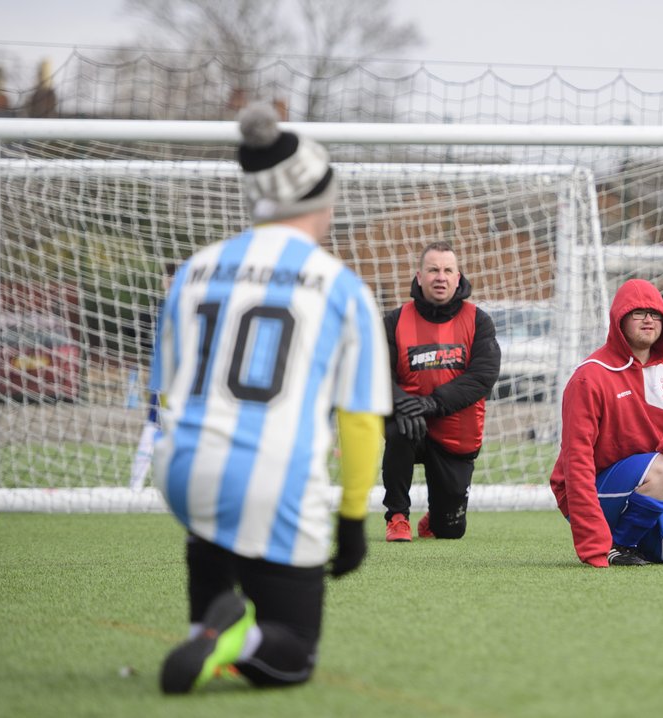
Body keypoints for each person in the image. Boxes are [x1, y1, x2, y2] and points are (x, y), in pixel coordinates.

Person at [149, 101, 391, 693]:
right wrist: (355, 516)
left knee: (215, 540)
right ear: (321, 198)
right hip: (271, 481)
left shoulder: (195, 269)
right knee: (293, 655)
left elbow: (163, 389)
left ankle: (210, 626)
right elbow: (360, 420)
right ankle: (242, 637)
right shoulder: (340, 285)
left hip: (181, 471)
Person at [549, 278, 663, 567]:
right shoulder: (590, 376)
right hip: (593, 488)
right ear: (619, 320)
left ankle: (634, 540)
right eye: (638, 313)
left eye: (655, 313)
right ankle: (618, 544)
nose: (648, 319)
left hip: (646, 486)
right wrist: (592, 541)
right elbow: (577, 459)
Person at [381, 242, 500, 542]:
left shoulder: (479, 321)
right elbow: (375, 373)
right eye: (433, 270)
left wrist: (430, 404)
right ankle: (397, 516)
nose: (440, 277)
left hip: (456, 434)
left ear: (458, 277)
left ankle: (437, 515)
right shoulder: (394, 321)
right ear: (419, 276)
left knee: (450, 531)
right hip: (411, 422)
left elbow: (481, 378)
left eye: (448, 270)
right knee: (398, 428)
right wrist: (401, 403)